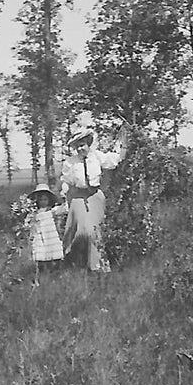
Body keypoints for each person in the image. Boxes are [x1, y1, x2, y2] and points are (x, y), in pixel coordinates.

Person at [59, 113, 128, 273]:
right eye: (77, 146)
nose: (80, 148)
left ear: (89, 143)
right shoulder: (70, 162)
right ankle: (69, 261)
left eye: (83, 144)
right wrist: (64, 189)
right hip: (77, 197)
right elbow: (66, 180)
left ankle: (97, 266)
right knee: (76, 231)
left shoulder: (97, 156)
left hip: (95, 197)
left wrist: (123, 142)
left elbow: (116, 159)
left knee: (94, 232)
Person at [26, 183, 69, 286]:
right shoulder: (34, 213)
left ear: (49, 200)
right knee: (40, 256)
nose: (43, 202)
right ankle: (39, 278)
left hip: (51, 236)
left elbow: (65, 209)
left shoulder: (52, 211)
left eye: (45, 199)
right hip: (40, 237)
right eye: (41, 200)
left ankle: (56, 277)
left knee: (54, 256)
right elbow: (27, 223)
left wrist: (65, 197)